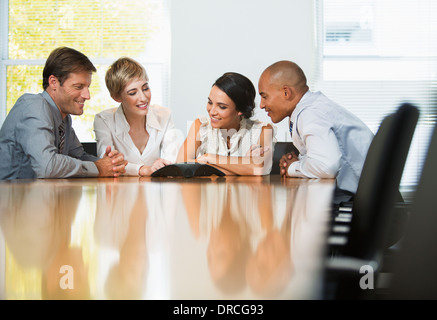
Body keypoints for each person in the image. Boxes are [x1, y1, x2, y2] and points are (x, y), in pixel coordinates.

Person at [0, 46, 126, 180]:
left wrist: (109, 164)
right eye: (78, 87)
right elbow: (47, 166)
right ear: (53, 82)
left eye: (87, 87)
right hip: (12, 196)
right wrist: (98, 168)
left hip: (40, 196)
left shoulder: (63, 118)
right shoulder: (34, 106)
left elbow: (78, 157)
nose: (87, 95)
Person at [258, 60, 374, 194]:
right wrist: (299, 161)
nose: (261, 105)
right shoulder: (311, 107)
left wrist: (292, 167)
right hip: (365, 195)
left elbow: (326, 167)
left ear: (286, 92)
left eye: (265, 96)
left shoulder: (310, 113)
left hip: (360, 201)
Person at [94, 57, 181, 176]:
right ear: (117, 97)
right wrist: (143, 169)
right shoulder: (104, 120)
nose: (143, 98)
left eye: (145, 88)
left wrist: (164, 164)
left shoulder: (164, 115)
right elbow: (109, 164)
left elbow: (172, 159)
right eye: (133, 93)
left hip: (155, 189)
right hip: (119, 190)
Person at [176, 72, 275, 176]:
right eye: (210, 102)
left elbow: (259, 169)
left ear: (240, 110)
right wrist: (242, 166)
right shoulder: (201, 126)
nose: (212, 111)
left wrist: (208, 158)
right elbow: (181, 165)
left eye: (222, 107)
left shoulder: (262, 130)